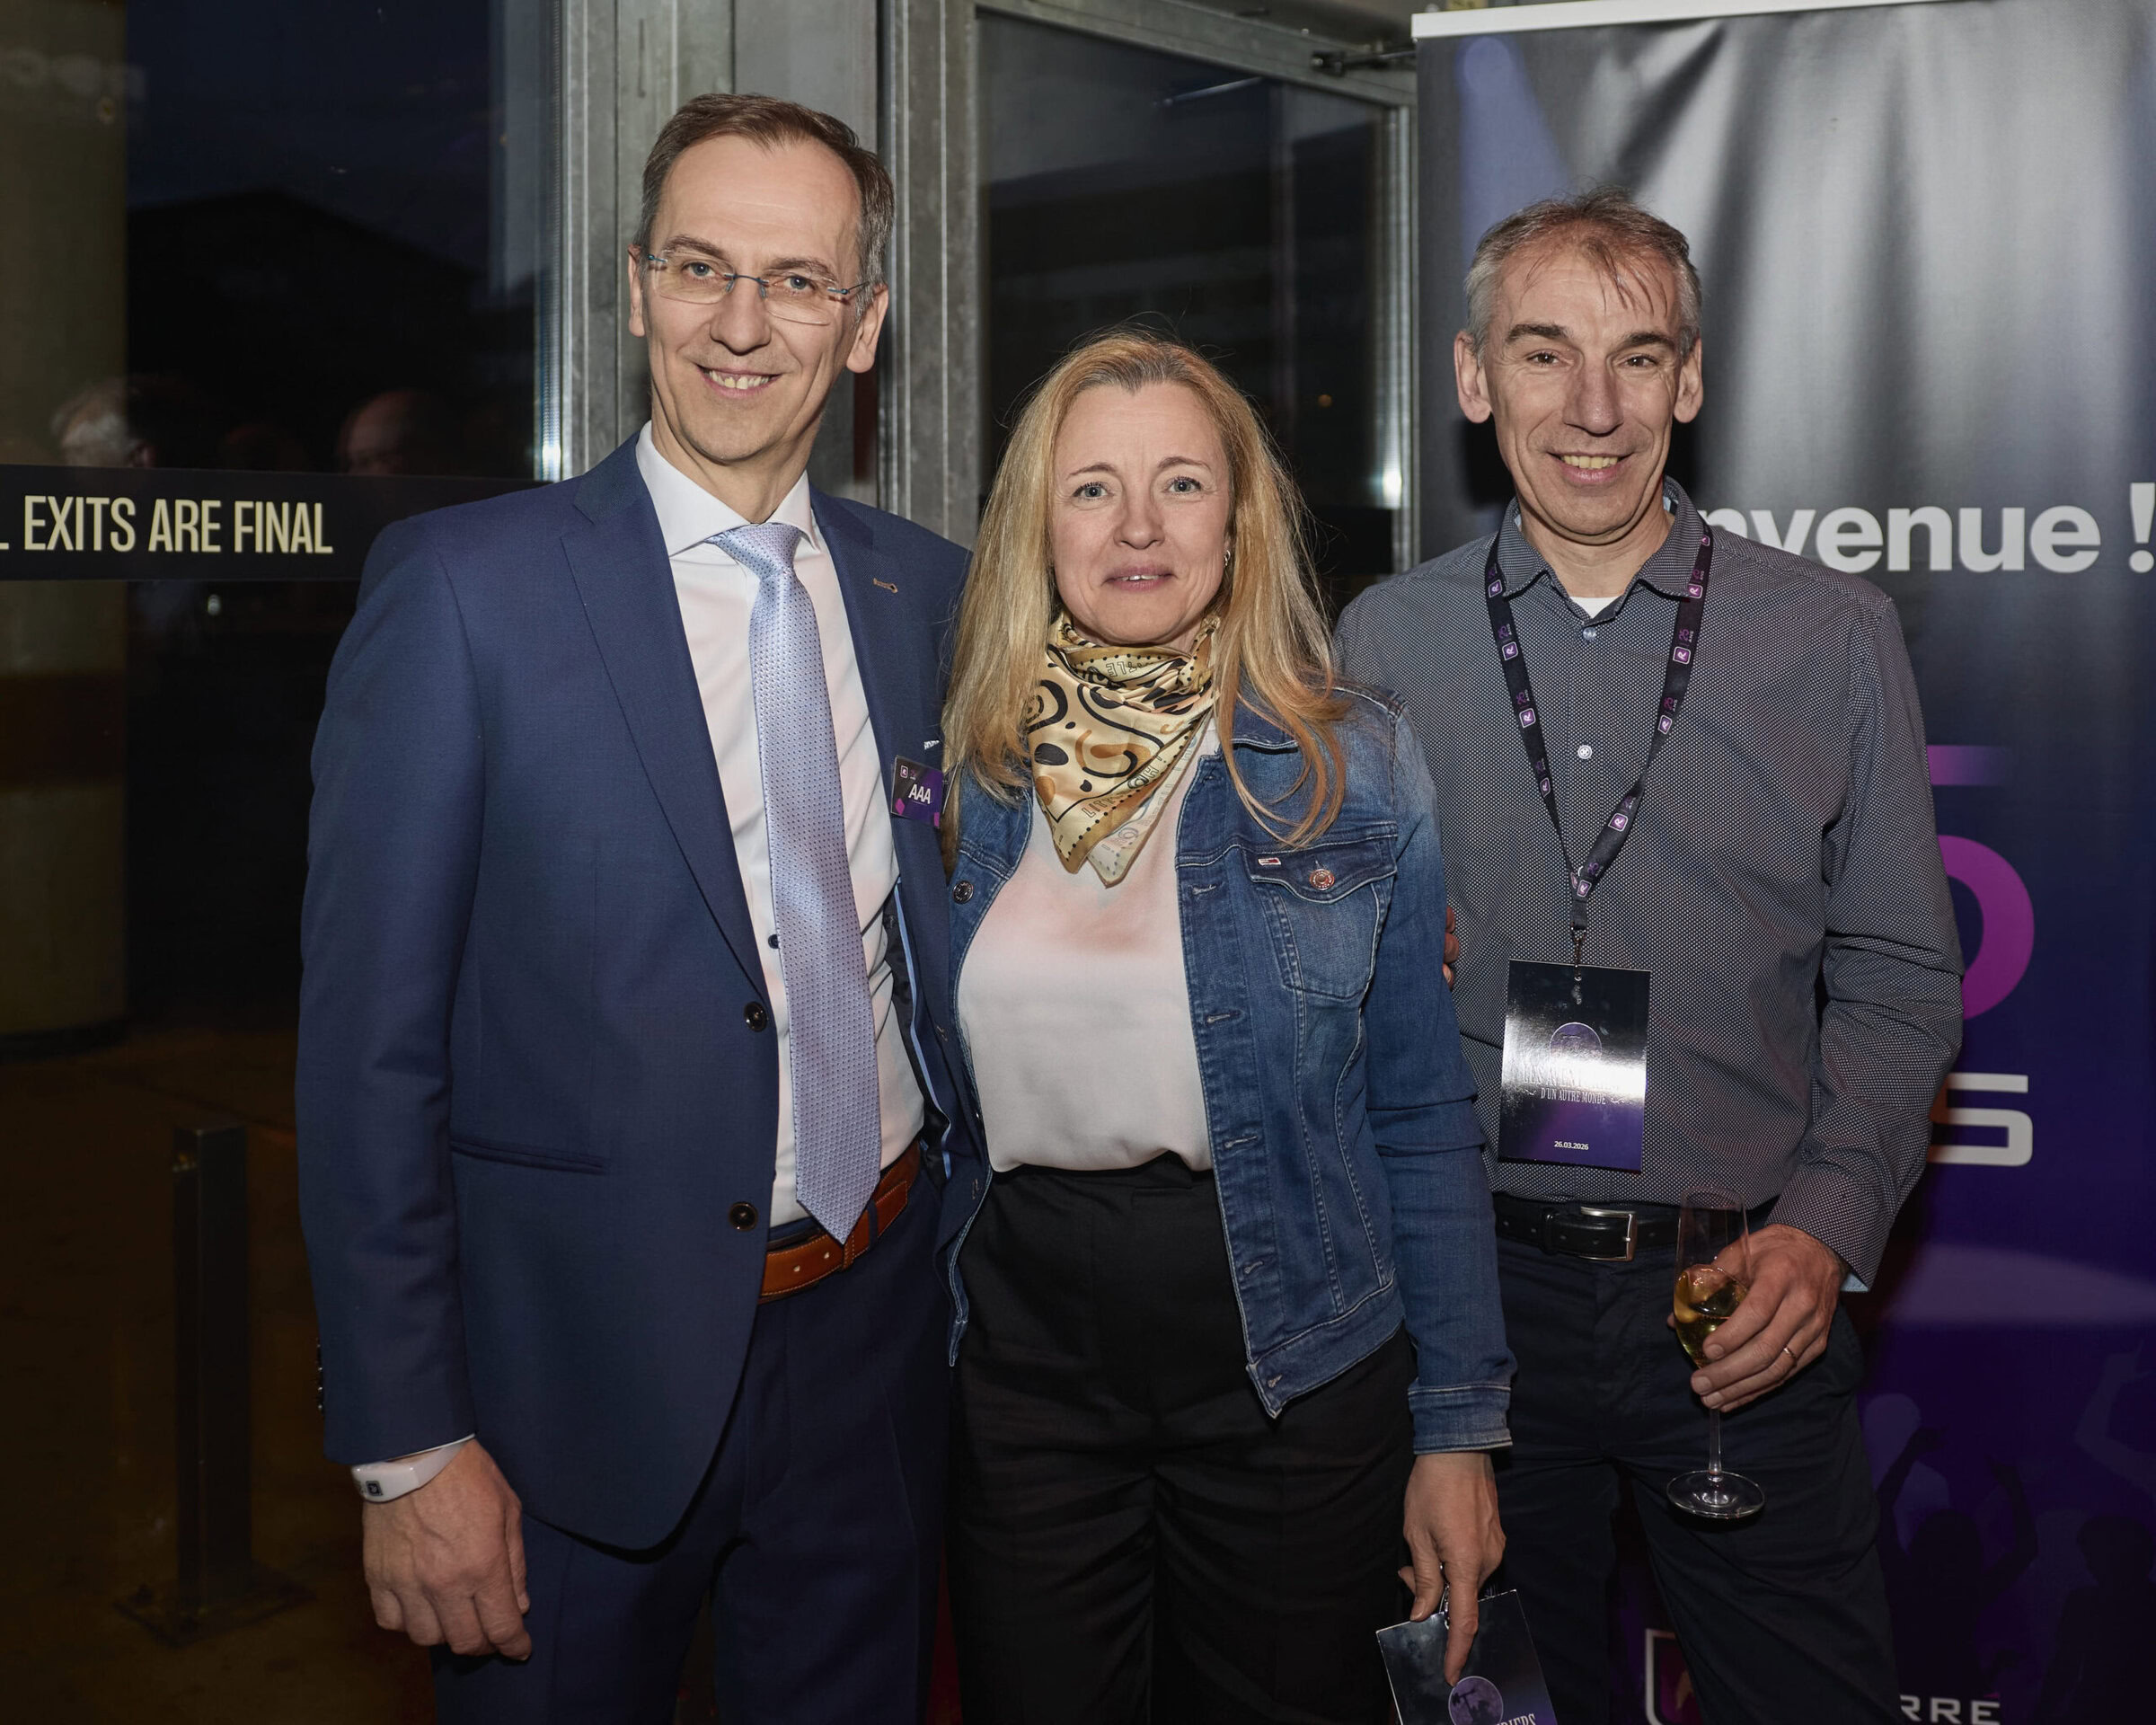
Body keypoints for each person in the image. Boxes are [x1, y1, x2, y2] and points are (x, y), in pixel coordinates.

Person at [296, 94, 976, 1722]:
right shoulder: (465, 592)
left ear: (864, 324)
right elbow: (368, 1053)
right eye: (699, 267)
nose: (742, 324)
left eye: (798, 281)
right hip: (563, 1393)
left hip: (879, 1346)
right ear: (633, 288)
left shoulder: (928, 596)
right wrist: (407, 1447)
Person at [1335, 188, 1963, 1725]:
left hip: (1735, 1306)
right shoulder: (1382, 646)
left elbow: (1900, 982)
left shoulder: (1830, 637)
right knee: (1498, 1705)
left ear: (1690, 380)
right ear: (1473, 376)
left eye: (1638, 358)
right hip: (1465, 1319)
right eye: (1544, 353)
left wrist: (1821, 1232)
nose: (1595, 409)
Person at [937, 331, 1512, 1724]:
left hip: (1296, 1359)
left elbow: (1421, 1113)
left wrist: (1456, 1430)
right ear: (1036, 525)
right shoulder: (959, 769)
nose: (1138, 526)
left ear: (1240, 521)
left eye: (1182, 483)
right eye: (1092, 489)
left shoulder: (1352, 763)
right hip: (1024, 1372)